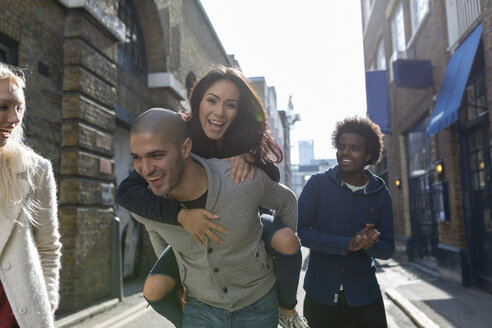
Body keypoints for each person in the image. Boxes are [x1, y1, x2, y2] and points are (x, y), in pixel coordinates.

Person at [117, 66, 308, 327]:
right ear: (197, 102)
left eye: (230, 105)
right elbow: (129, 192)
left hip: (242, 219)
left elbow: (270, 183)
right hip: (191, 230)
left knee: (286, 239)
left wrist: (250, 157)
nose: (219, 112)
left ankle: (287, 312)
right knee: (154, 287)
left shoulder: (243, 139)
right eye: (211, 100)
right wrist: (180, 216)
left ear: (239, 110)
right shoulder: (178, 134)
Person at [298, 117, 394, 328]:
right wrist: (348, 244)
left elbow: (387, 249)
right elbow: (301, 232)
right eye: (341, 147)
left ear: (368, 155)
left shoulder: (380, 193)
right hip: (321, 295)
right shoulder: (317, 185)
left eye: (354, 148)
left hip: (365, 297)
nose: (345, 153)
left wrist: (371, 243)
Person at [0, 63, 62, 327]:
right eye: (3, 107)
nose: (14, 118)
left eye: (19, 108)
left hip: (17, 316)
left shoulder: (36, 170)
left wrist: (46, 302)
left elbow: (49, 246)